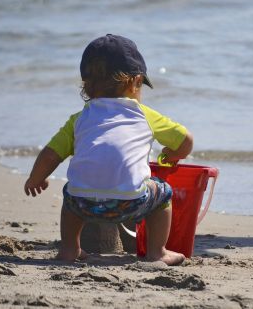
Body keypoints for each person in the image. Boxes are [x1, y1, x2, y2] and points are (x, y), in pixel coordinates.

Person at [24, 34, 193, 265]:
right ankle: (157, 252)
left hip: (82, 205)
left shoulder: (80, 118)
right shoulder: (143, 114)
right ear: (136, 81)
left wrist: (37, 178)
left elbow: (51, 153)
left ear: (86, 83)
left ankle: (70, 249)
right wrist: (171, 156)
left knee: (69, 193)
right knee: (164, 192)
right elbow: (185, 141)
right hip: (131, 204)